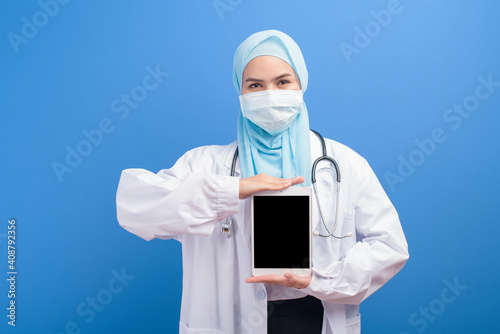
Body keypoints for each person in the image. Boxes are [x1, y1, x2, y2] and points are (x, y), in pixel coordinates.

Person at [116, 30, 409, 334]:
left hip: (312, 313)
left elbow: (390, 246)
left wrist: (323, 279)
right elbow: (135, 208)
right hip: (228, 319)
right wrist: (231, 190)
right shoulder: (205, 164)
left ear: (301, 84)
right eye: (255, 85)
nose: (270, 94)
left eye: (283, 82)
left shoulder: (342, 163)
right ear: (240, 92)